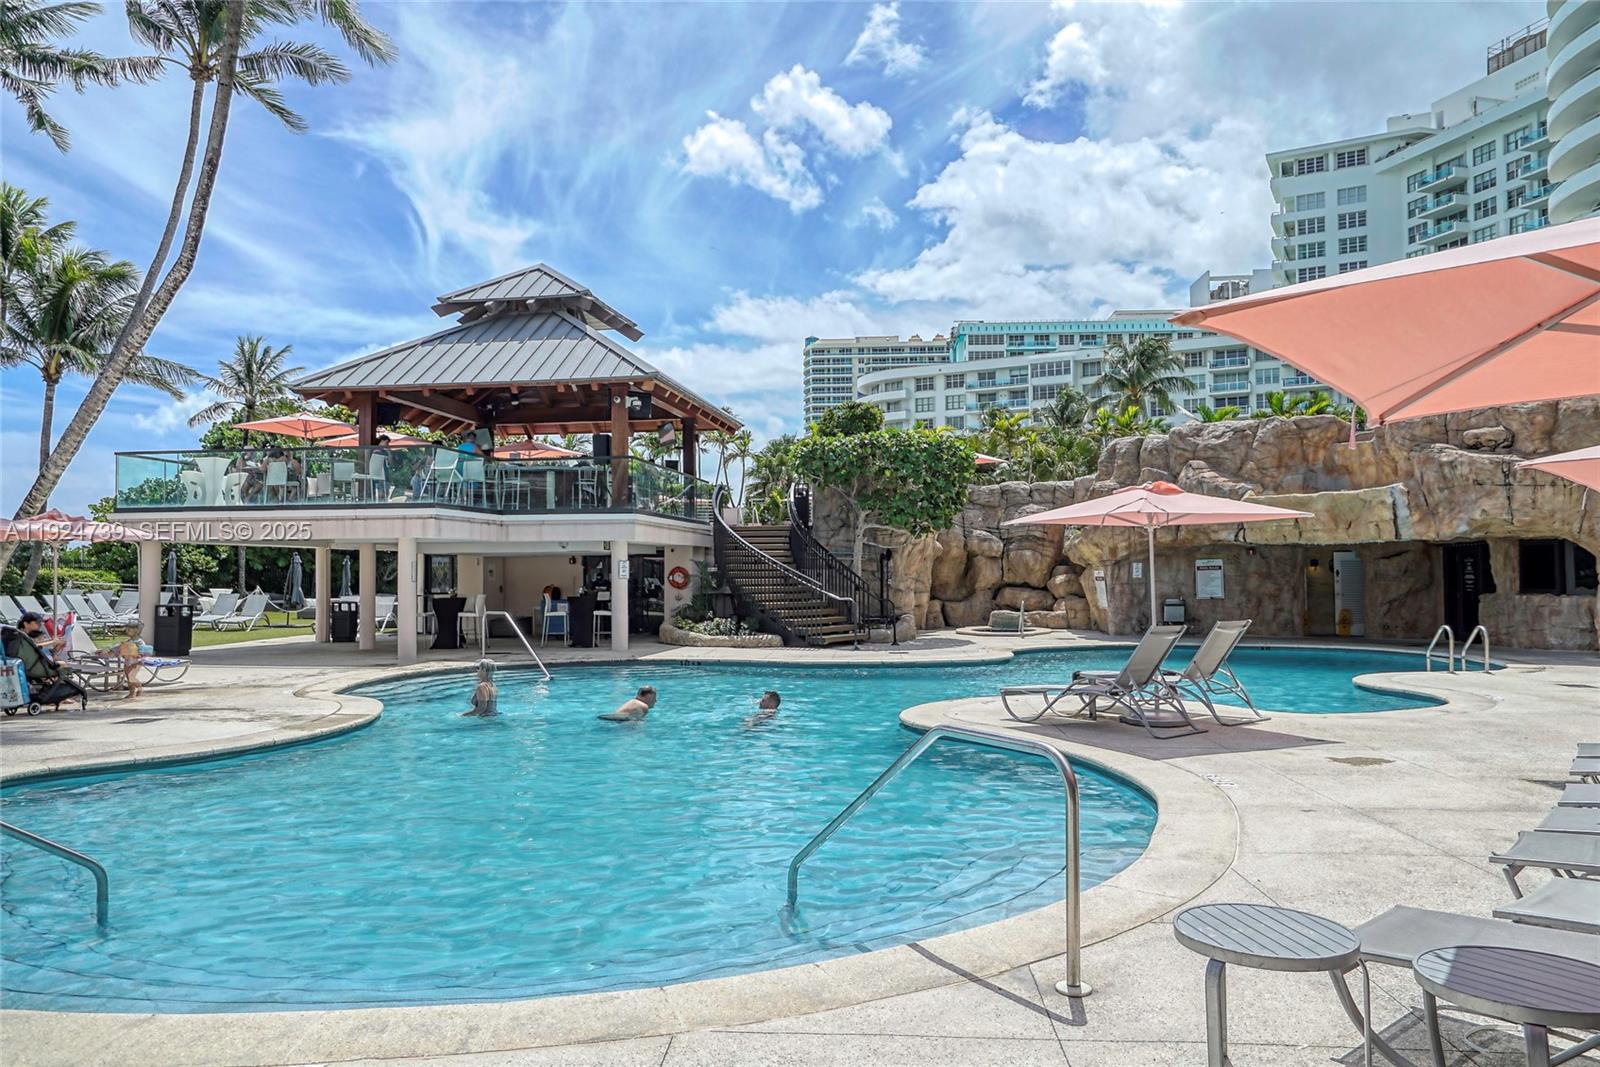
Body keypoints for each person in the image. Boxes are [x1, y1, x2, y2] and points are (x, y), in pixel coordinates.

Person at [112, 621, 146, 699]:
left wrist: (138, 655)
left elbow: (142, 651)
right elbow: (120, 648)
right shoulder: (128, 641)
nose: (127, 631)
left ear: (136, 631)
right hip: (127, 662)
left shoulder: (140, 641)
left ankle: (140, 689)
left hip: (136, 662)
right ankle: (132, 692)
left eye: (129, 630)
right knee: (128, 678)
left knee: (131, 677)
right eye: (126, 630)